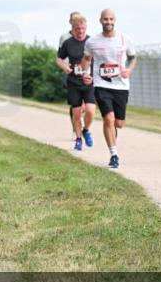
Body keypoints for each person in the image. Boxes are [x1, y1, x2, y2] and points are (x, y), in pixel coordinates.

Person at [80, 9, 137, 169]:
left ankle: (112, 137)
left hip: (121, 86)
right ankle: (114, 155)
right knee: (108, 119)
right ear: (100, 20)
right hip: (101, 85)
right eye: (105, 19)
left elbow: (133, 58)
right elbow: (86, 59)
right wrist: (85, 73)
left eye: (111, 19)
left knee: (119, 123)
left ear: (115, 20)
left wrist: (129, 69)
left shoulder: (125, 39)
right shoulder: (92, 42)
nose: (108, 22)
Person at [57, 14, 96, 151]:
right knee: (77, 112)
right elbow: (59, 59)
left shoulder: (92, 42)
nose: (80, 31)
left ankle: (86, 130)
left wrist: (93, 75)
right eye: (77, 28)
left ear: (86, 27)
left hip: (88, 82)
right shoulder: (68, 43)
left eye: (82, 28)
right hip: (73, 81)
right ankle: (78, 139)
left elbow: (99, 61)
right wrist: (65, 67)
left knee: (90, 111)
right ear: (72, 28)